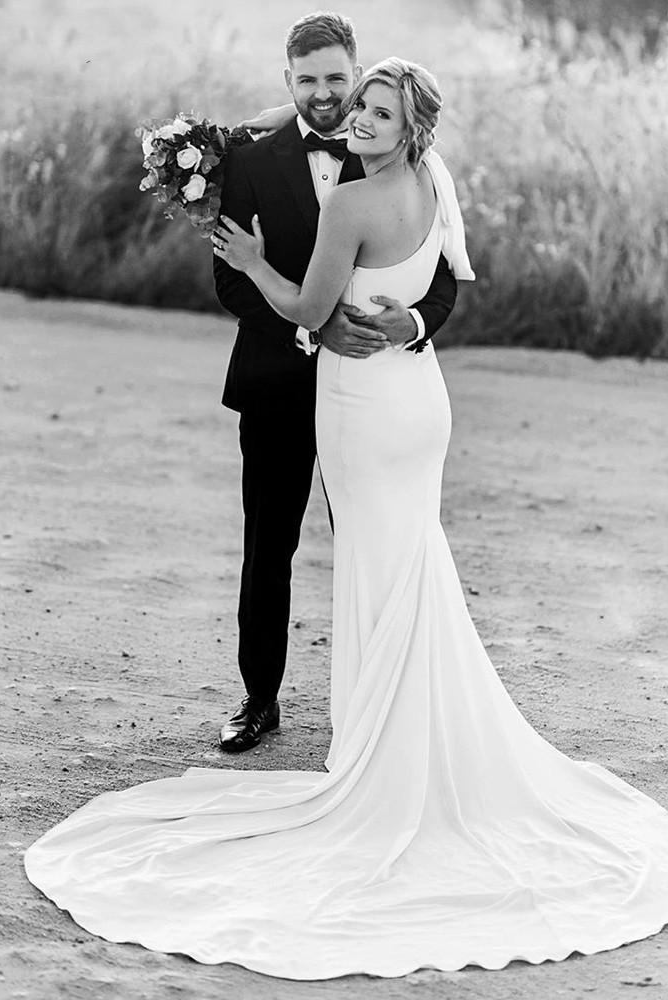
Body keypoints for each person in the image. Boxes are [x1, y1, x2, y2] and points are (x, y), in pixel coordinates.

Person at [24, 49, 668, 981]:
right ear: (293, 83)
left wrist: (274, 271)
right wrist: (307, 289)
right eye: (328, 92)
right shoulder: (386, 169)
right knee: (355, 552)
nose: (347, 111)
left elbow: (411, 289)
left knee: (378, 561)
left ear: (398, 117)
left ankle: (381, 756)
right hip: (389, 401)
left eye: (367, 101)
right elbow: (306, 274)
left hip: (367, 397)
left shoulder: (356, 193)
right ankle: (288, 707)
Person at [211, 12, 458, 753]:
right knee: (269, 547)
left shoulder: (390, 148)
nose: (324, 94)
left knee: (374, 544)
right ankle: (259, 699)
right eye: (308, 80)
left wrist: (412, 322)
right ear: (288, 82)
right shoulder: (249, 160)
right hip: (279, 385)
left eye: (336, 79)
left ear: (358, 76)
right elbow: (232, 280)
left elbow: (443, 278)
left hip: (371, 395)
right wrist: (314, 330)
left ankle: (381, 704)